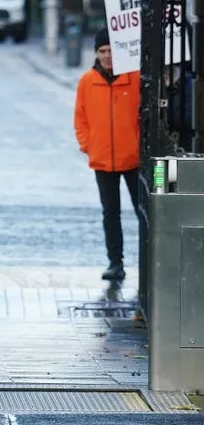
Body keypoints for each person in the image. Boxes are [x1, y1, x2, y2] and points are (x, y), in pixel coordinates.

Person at [74, 27, 141, 281]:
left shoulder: (134, 78)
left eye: (111, 50)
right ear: (96, 54)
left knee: (144, 212)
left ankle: (149, 262)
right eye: (102, 51)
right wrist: (88, 145)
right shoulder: (87, 82)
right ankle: (115, 263)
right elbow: (80, 118)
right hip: (102, 159)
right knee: (110, 213)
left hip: (134, 160)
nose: (107, 56)